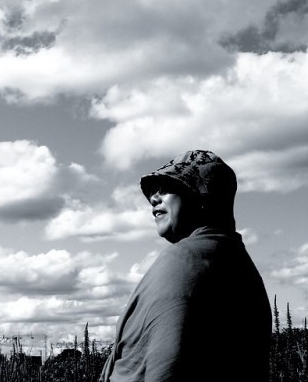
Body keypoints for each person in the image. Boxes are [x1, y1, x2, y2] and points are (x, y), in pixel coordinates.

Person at [100, 150, 271, 382]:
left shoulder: (184, 261)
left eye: (166, 188)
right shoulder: (234, 261)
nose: (153, 198)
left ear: (202, 196)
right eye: (152, 191)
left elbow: (167, 366)